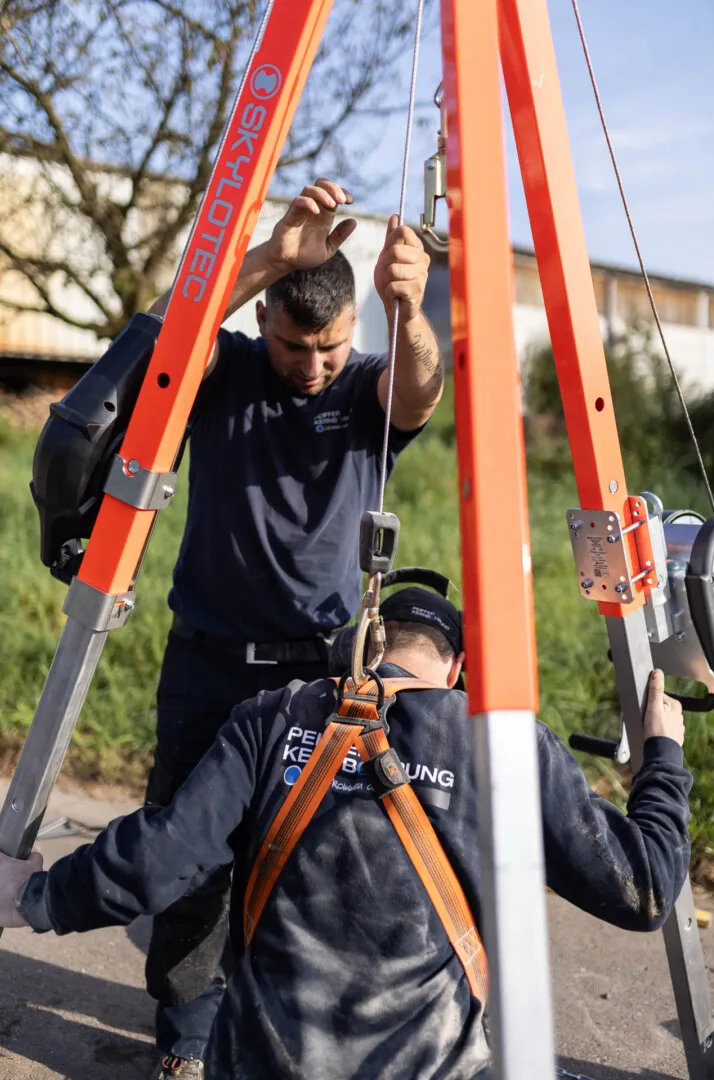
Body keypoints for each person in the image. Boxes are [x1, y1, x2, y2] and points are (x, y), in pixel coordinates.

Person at [0, 588, 692, 1080]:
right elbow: (644, 889)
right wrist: (661, 757)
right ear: (457, 673)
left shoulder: (272, 716)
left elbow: (162, 856)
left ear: (357, 654)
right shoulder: (504, 746)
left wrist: (34, 897)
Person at [140, 178, 444, 1074]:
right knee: (189, 864)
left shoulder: (362, 391)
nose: (310, 364)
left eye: (330, 346)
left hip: (318, 674)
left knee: (305, 870)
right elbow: (160, 340)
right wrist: (271, 256)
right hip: (205, 666)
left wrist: (408, 310)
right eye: (291, 344)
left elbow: (420, 388)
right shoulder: (227, 366)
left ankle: (274, 1040)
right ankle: (187, 1046)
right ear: (264, 318)